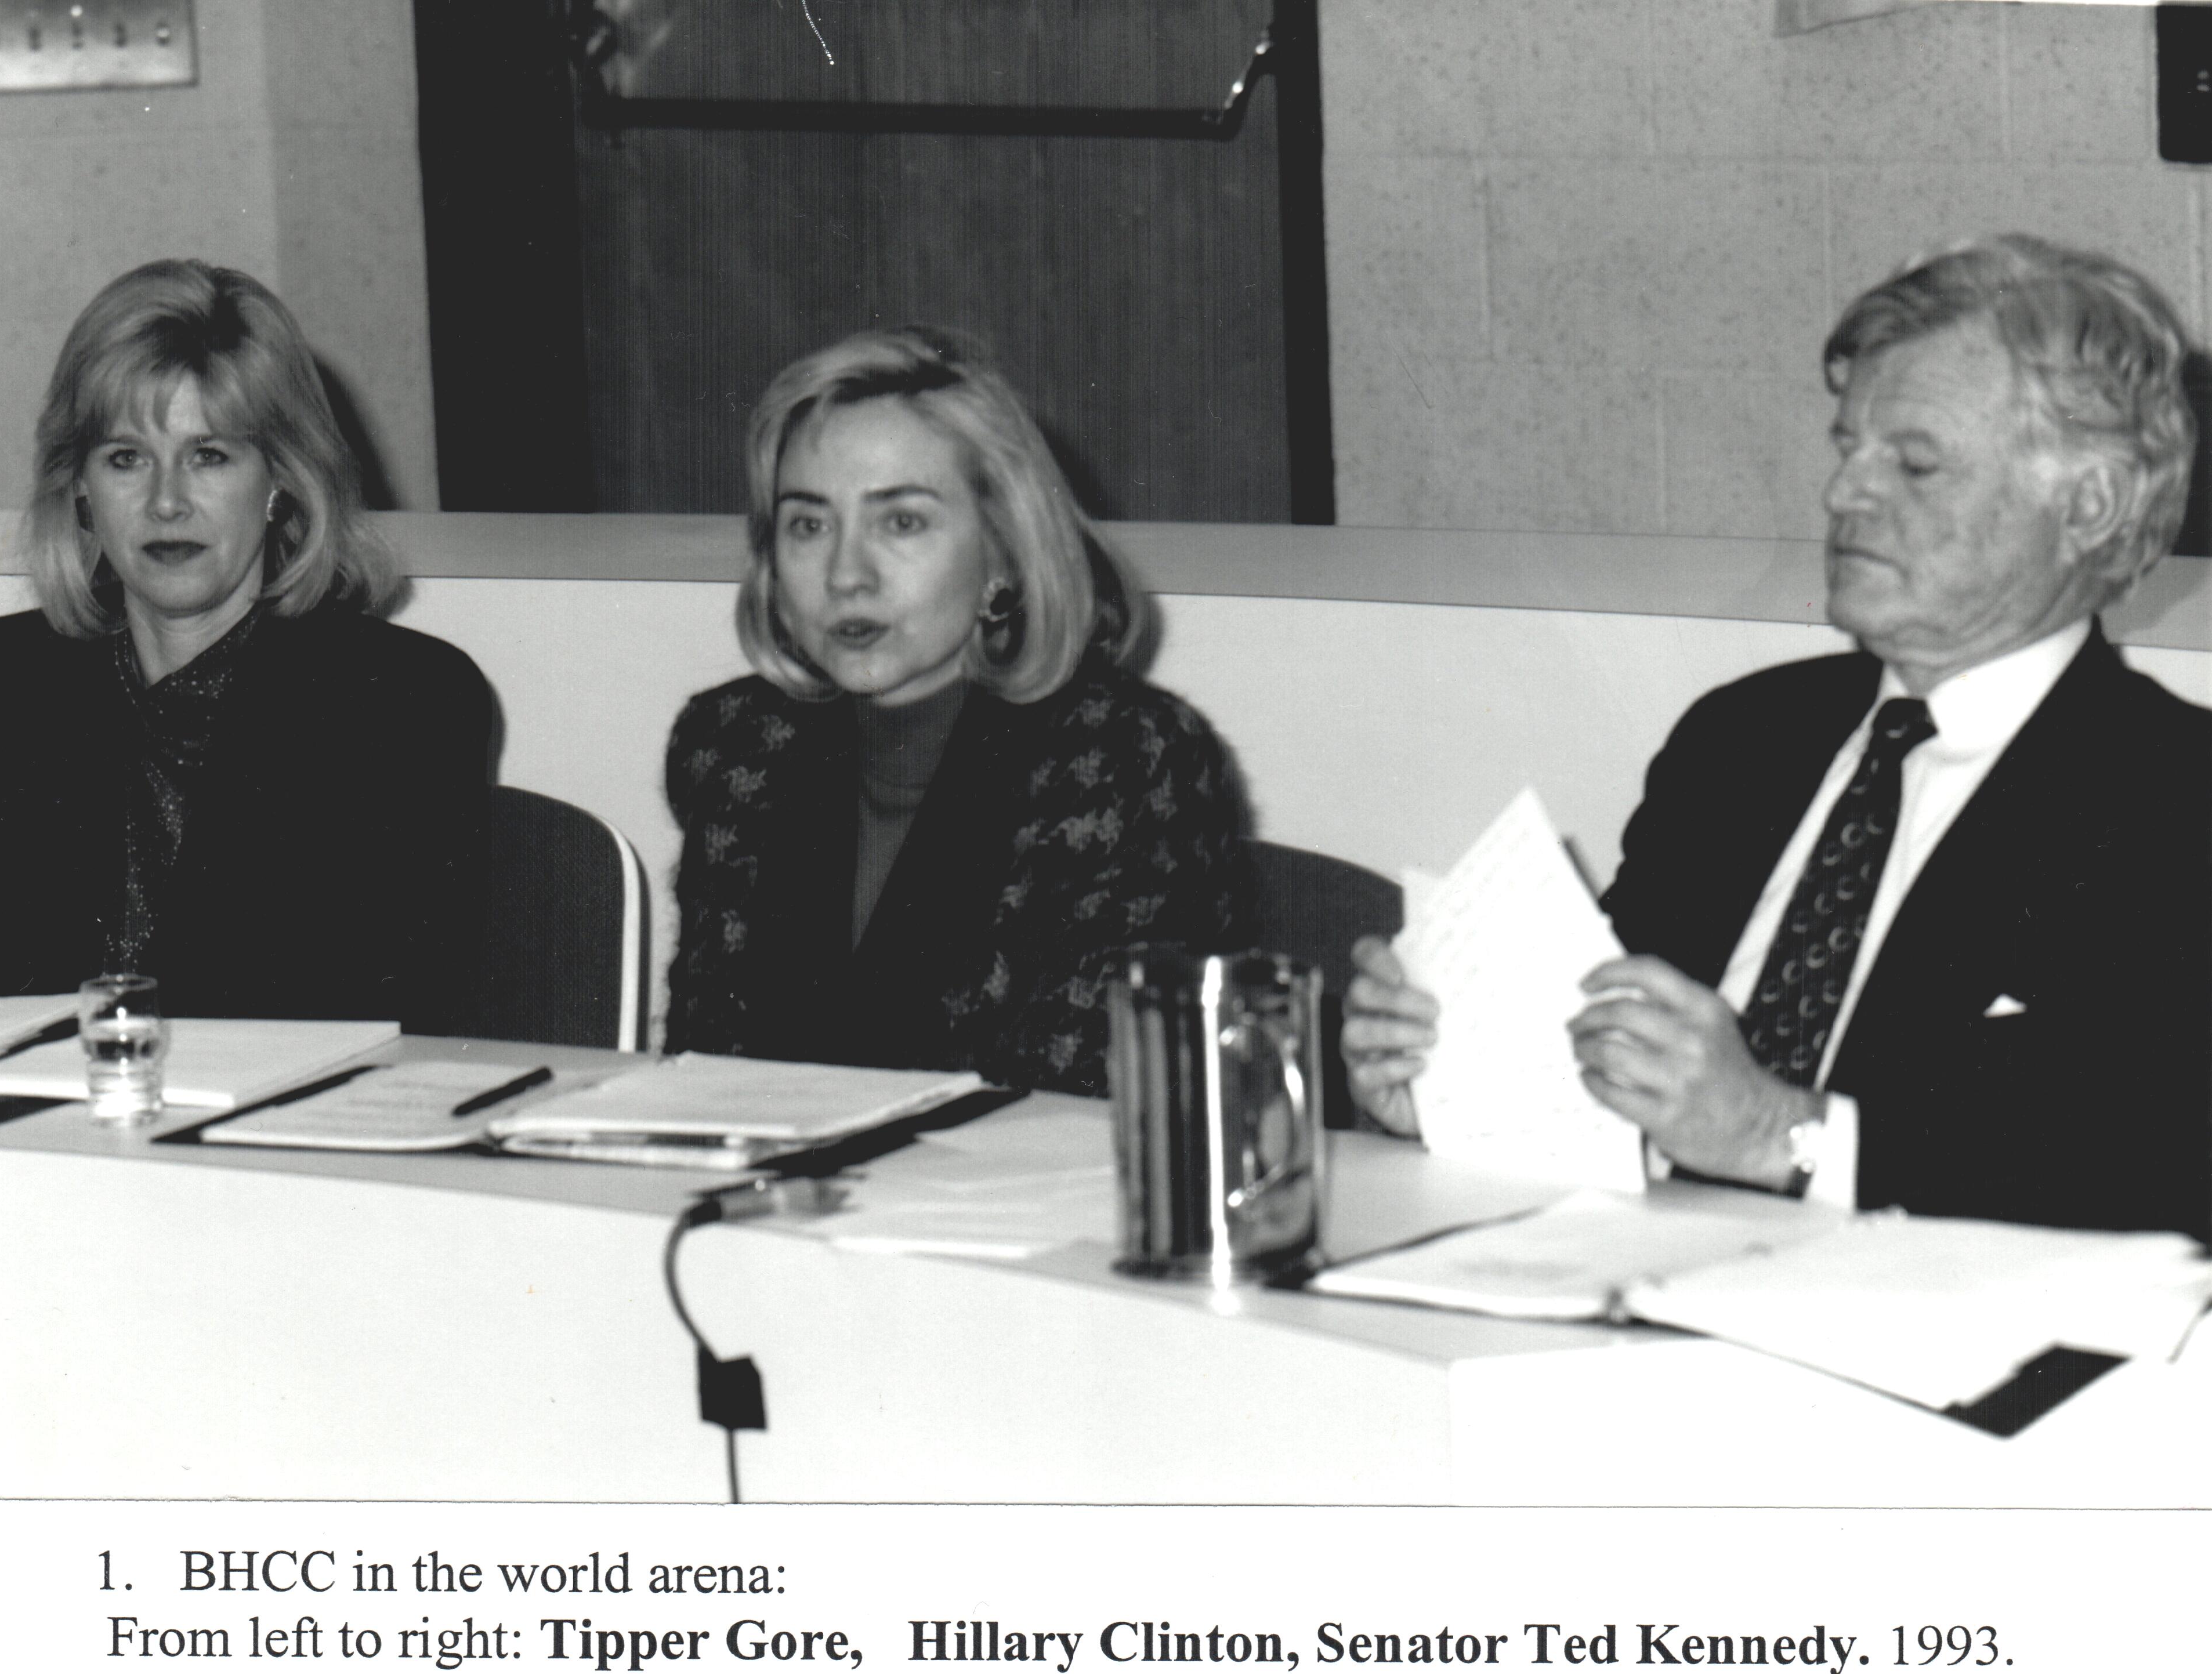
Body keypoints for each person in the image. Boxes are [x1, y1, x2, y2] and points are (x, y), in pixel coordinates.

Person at [1345, 235, 2210, 1239]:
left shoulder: (2173, 800)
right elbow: (1616, 1064)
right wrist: (1456, 1088)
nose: (1843, 494)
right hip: (1627, 1287)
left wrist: (1781, 1135)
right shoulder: (1744, 739)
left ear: (2086, 507)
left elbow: (2150, 1154)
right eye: (1848, 448)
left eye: (1914, 464)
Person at [663, 325, 1251, 1095]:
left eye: (900, 521)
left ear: (1002, 555)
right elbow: (703, 1074)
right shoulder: (738, 743)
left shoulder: (1125, 757)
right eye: (808, 524)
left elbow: (1066, 1105)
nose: (846, 574)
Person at [0, 259, 492, 1029]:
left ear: (280, 482)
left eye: (210, 456)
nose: (166, 502)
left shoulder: (402, 700)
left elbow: (372, 1009)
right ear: (82, 488)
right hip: (29, 1133)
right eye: (126, 458)